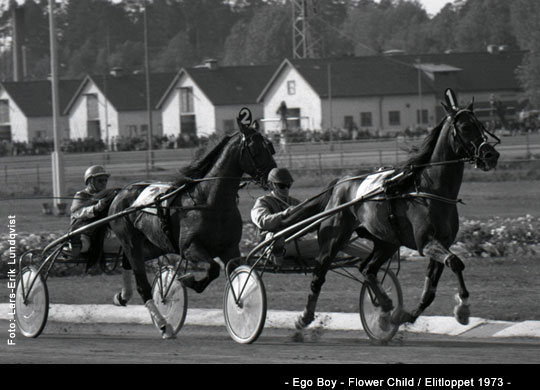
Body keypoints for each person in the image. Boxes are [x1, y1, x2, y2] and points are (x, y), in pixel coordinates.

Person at [251, 168, 372, 265]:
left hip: (297, 245)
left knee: (337, 241)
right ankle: (277, 255)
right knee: (335, 244)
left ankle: (371, 256)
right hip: (272, 245)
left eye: (288, 185)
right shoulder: (263, 202)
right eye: (282, 186)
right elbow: (263, 221)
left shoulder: (294, 202)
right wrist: (285, 213)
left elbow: (311, 225)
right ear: (272, 185)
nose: (286, 189)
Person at [69, 165, 116, 260]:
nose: (103, 183)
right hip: (84, 233)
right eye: (100, 180)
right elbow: (77, 213)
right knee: (85, 247)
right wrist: (96, 208)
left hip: (103, 234)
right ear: (90, 181)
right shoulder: (81, 195)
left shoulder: (107, 196)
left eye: (105, 180)